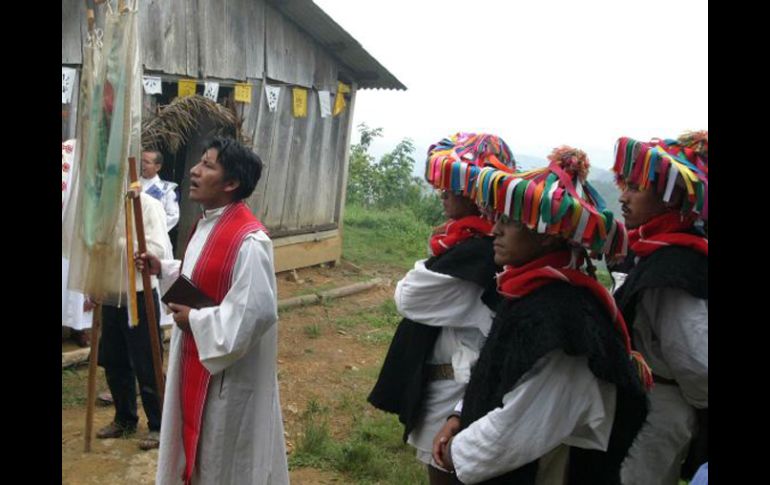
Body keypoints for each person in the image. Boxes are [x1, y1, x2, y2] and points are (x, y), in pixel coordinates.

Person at [432, 146, 651, 484]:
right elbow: (497, 368)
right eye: (498, 219)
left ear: (549, 238)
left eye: (510, 222)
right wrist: (459, 415)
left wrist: (455, 455)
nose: (495, 231)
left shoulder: (568, 318)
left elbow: (523, 424)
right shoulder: (528, 291)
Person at [137, 137, 288, 484]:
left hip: (227, 377)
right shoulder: (207, 223)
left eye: (207, 164)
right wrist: (164, 268)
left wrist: (196, 320)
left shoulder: (251, 241)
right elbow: (202, 276)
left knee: (223, 455)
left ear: (231, 183)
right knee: (197, 453)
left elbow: (255, 313)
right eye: (200, 162)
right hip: (197, 359)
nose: (194, 169)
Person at [368, 133, 515, 484]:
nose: (443, 191)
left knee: (447, 469)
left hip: (459, 389)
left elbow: (408, 297)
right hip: (449, 381)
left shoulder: (478, 253)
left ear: (478, 193)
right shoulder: (467, 244)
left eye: (454, 184)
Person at [612, 132, 708, 484]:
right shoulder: (654, 252)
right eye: (625, 185)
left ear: (673, 197)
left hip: (657, 411)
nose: (623, 196)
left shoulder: (674, 268)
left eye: (635, 188)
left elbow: (697, 362)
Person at [95, 189, 170, 452]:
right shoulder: (101, 206)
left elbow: (158, 248)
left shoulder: (147, 205)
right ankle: (124, 418)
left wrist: (128, 249)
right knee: (113, 359)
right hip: (111, 293)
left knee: (146, 359)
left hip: (138, 293)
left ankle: (159, 424)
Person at [140, 149, 180, 231]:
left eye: (147, 162)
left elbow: (173, 216)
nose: (142, 165)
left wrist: (154, 227)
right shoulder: (131, 182)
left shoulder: (166, 190)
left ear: (157, 167)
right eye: (141, 161)